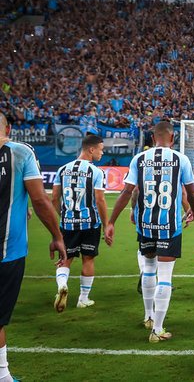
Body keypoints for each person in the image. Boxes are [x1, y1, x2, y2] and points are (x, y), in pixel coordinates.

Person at [105, 121, 194, 343]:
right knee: (165, 275)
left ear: (152, 138)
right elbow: (191, 192)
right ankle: (156, 329)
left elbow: (128, 191)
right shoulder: (180, 159)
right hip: (169, 226)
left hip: (146, 224)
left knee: (148, 267)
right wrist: (192, 210)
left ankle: (147, 316)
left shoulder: (139, 159)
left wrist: (111, 221)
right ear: (173, 138)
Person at [0, 112, 67, 382]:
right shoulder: (20, 152)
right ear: (10, 128)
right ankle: (3, 376)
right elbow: (40, 200)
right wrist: (57, 236)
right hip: (7, 251)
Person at [51, 134, 109, 311]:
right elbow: (99, 200)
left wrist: (63, 216)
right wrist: (107, 225)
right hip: (90, 224)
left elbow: (54, 198)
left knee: (65, 259)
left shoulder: (62, 170)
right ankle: (83, 299)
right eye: (101, 149)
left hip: (68, 223)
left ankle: (62, 285)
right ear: (91, 149)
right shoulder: (96, 172)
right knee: (88, 259)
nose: (102, 153)